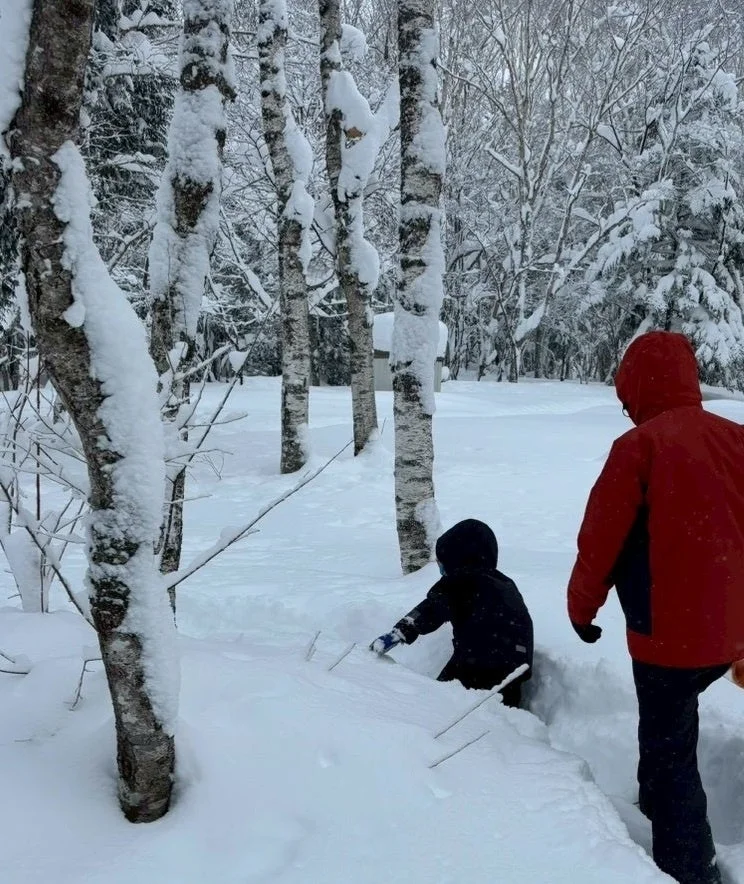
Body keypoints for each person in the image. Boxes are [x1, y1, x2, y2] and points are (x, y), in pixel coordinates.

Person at [567, 330, 744, 884]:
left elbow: (601, 540)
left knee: (670, 752)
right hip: (735, 629)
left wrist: (581, 609)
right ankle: (652, 805)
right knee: (668, 734)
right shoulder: (737, 439)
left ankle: (691, 869)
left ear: (637, 388)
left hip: (669, 637)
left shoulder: (638, 448)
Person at [370, 518, 533, 707]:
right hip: (516, 668)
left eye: (441, 562)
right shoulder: (505, 584)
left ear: (457, 560)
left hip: (475, 664)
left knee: (437, 704)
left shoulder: (459, 582)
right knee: (501, 710)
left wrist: (402, 630)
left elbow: (431, 609)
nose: (440, 568)